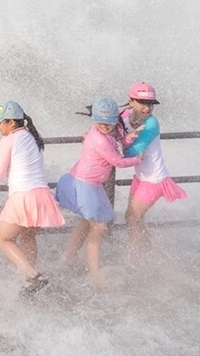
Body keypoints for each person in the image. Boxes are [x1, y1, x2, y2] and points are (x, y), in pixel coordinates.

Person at [0, 101, 64, 296]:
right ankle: (28, 283)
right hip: (41, 194)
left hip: (23, 196)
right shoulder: (33, 137)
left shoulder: (9, 140)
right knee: (28, 236)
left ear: (11, 123)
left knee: (3, 238)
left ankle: (33, 276)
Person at [55, 98, 141, 285]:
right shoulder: (98, 139)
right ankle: (94, 273)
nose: (105, 126)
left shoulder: (109, 132)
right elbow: (117, 161)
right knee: (99, 227)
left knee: (88, 221)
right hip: (85, 184)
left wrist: (128, 139)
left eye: (109, 123)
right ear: (94, 120)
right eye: (100, 123)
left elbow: (116, 143)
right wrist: (137, 159)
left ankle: (69, 256)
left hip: (92, 184)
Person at [119, 82, 187, 259]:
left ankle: (134, 259)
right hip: (141, 177)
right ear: (130, 101)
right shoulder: (124, 115)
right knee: (132, 218)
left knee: (132, 219)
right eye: (142, 102)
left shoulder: (151, 123)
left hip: (154, 180)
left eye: (150, 104)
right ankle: (154, 252)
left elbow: (134, 150)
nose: (147, 108)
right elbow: (108, 122)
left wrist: (109, 151)